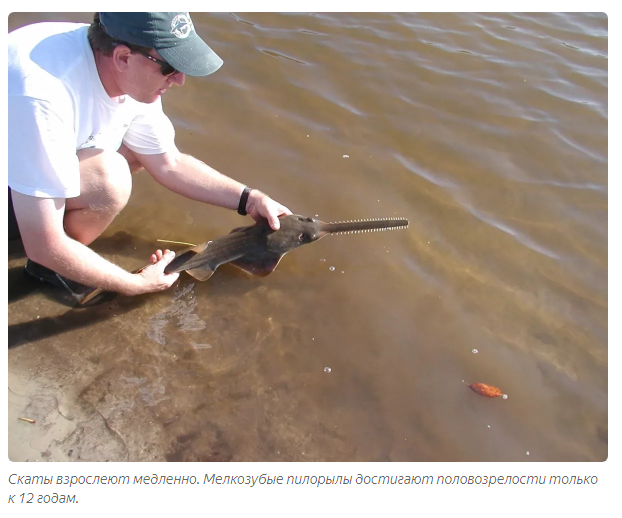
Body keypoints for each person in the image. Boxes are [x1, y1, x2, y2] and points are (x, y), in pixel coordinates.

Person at [8, 12, 292, 302]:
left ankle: (61, 243)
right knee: (110, 179)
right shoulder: (40, 95)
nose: (180, 79)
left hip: (22, 158)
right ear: (122, 57)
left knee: (135, 152)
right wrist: (135, 284)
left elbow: (169, 164)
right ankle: (49, 270)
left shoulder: (123, 65)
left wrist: (250, 199)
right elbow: (43, 243)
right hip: (14, 172)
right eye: (169, 67)